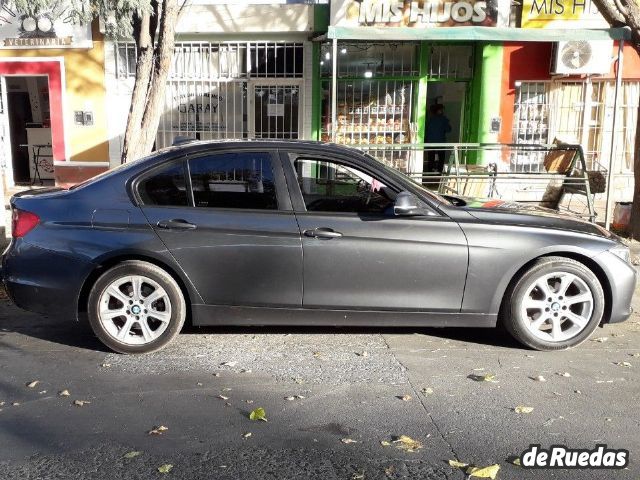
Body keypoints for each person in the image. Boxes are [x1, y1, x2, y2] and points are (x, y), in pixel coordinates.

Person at [425, 104, 452, 174]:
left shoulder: (429, 119)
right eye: (442, 110)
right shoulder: (443, 119)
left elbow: (426, 129)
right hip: (440, 141)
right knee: (441, 157)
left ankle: (429, 172)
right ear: (439, 110)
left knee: (431, 157)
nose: (443, 111)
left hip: (430, 141)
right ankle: (440, 171)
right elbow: (448, 129)